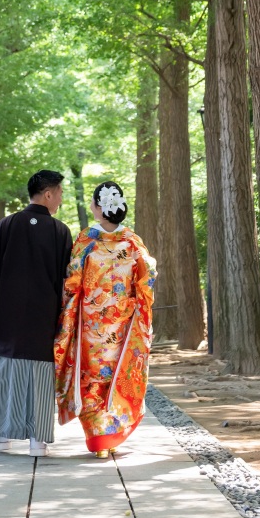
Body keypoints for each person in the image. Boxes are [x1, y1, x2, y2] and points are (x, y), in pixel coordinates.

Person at [0, 169, 73, 456]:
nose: (60, 198)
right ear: (47, 194)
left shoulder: (6, 225)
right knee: (40, 373)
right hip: (43, 314)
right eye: (59, 193)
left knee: (3, 370)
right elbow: (65, 280)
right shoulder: (60, 231)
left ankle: (1, 436)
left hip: (7, 312)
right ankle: (38, 440)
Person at [54, 180, 156, 457]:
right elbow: (148, 278)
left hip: (92, 323)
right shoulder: (132, 241)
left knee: (93, 375)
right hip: (123, 321)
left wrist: (71, 307)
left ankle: (98, 437)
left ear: (99, 208)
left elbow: (72, 279)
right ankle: (110, 433)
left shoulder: (87, 240)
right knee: (118, 372)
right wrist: (137, 305)